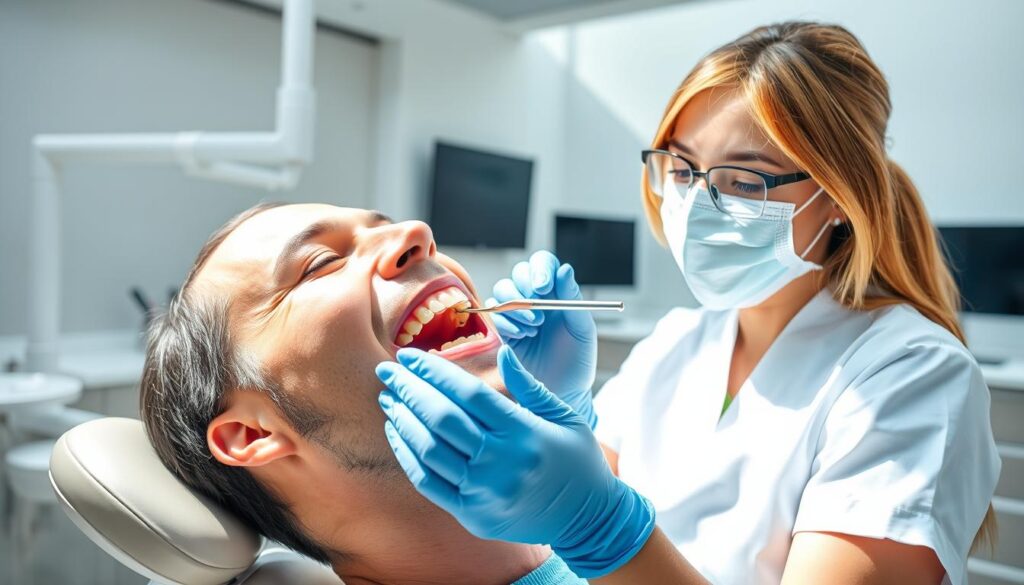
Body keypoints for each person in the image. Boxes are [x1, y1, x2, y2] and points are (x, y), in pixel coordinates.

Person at [375, 21, 1001, 585]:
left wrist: (600, 529)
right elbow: (548, 533)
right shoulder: (678, 342)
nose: (697, 205)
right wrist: (556, 413)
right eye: (681, 169)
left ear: (840, 195)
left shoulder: (914, 375)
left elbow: (586, 522)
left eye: (743, 179)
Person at [140, 202, 587, 585]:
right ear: (253, 432)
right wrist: (602, 526)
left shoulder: (604, 550)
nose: (416, 232)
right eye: (320, 263)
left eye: (383, 225)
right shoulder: (607, 539)